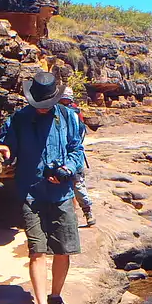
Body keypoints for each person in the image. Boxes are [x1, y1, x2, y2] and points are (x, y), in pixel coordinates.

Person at [0, 71, 86, 304]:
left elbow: (78, 150)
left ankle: (56, 297)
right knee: (37, 250)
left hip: (61, 194)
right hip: (31, 193)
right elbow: (8, 144)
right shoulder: (19, 119)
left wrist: (67, 168)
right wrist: (5, 150)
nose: (42, 110)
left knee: (63, 250)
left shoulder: (69, 118)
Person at [59, 86, 95, 227]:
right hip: (70, 154)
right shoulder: (73, 112)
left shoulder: (73, 114)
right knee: (76, 186)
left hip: (72, 155)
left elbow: (77, 138)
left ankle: (87, 212)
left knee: (77, 185)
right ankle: (81, 214)